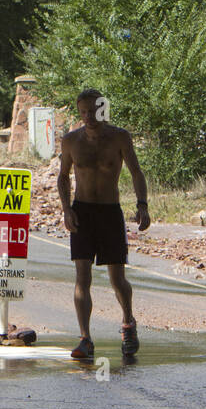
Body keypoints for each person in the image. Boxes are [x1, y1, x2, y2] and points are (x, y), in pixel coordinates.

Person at [57, 88, 150, 359]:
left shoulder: (119, 137)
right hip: (82, 211)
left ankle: (128, 322)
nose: (89, 117)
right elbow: (63, 176)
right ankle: (85, 338)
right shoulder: (71, 141)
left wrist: (142, 205)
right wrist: (66, 209)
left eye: (94, 110)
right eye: (83, 111)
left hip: (110, 211)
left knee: (117, 278)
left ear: (103, 109)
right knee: (82, 276)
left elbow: (136, 171)